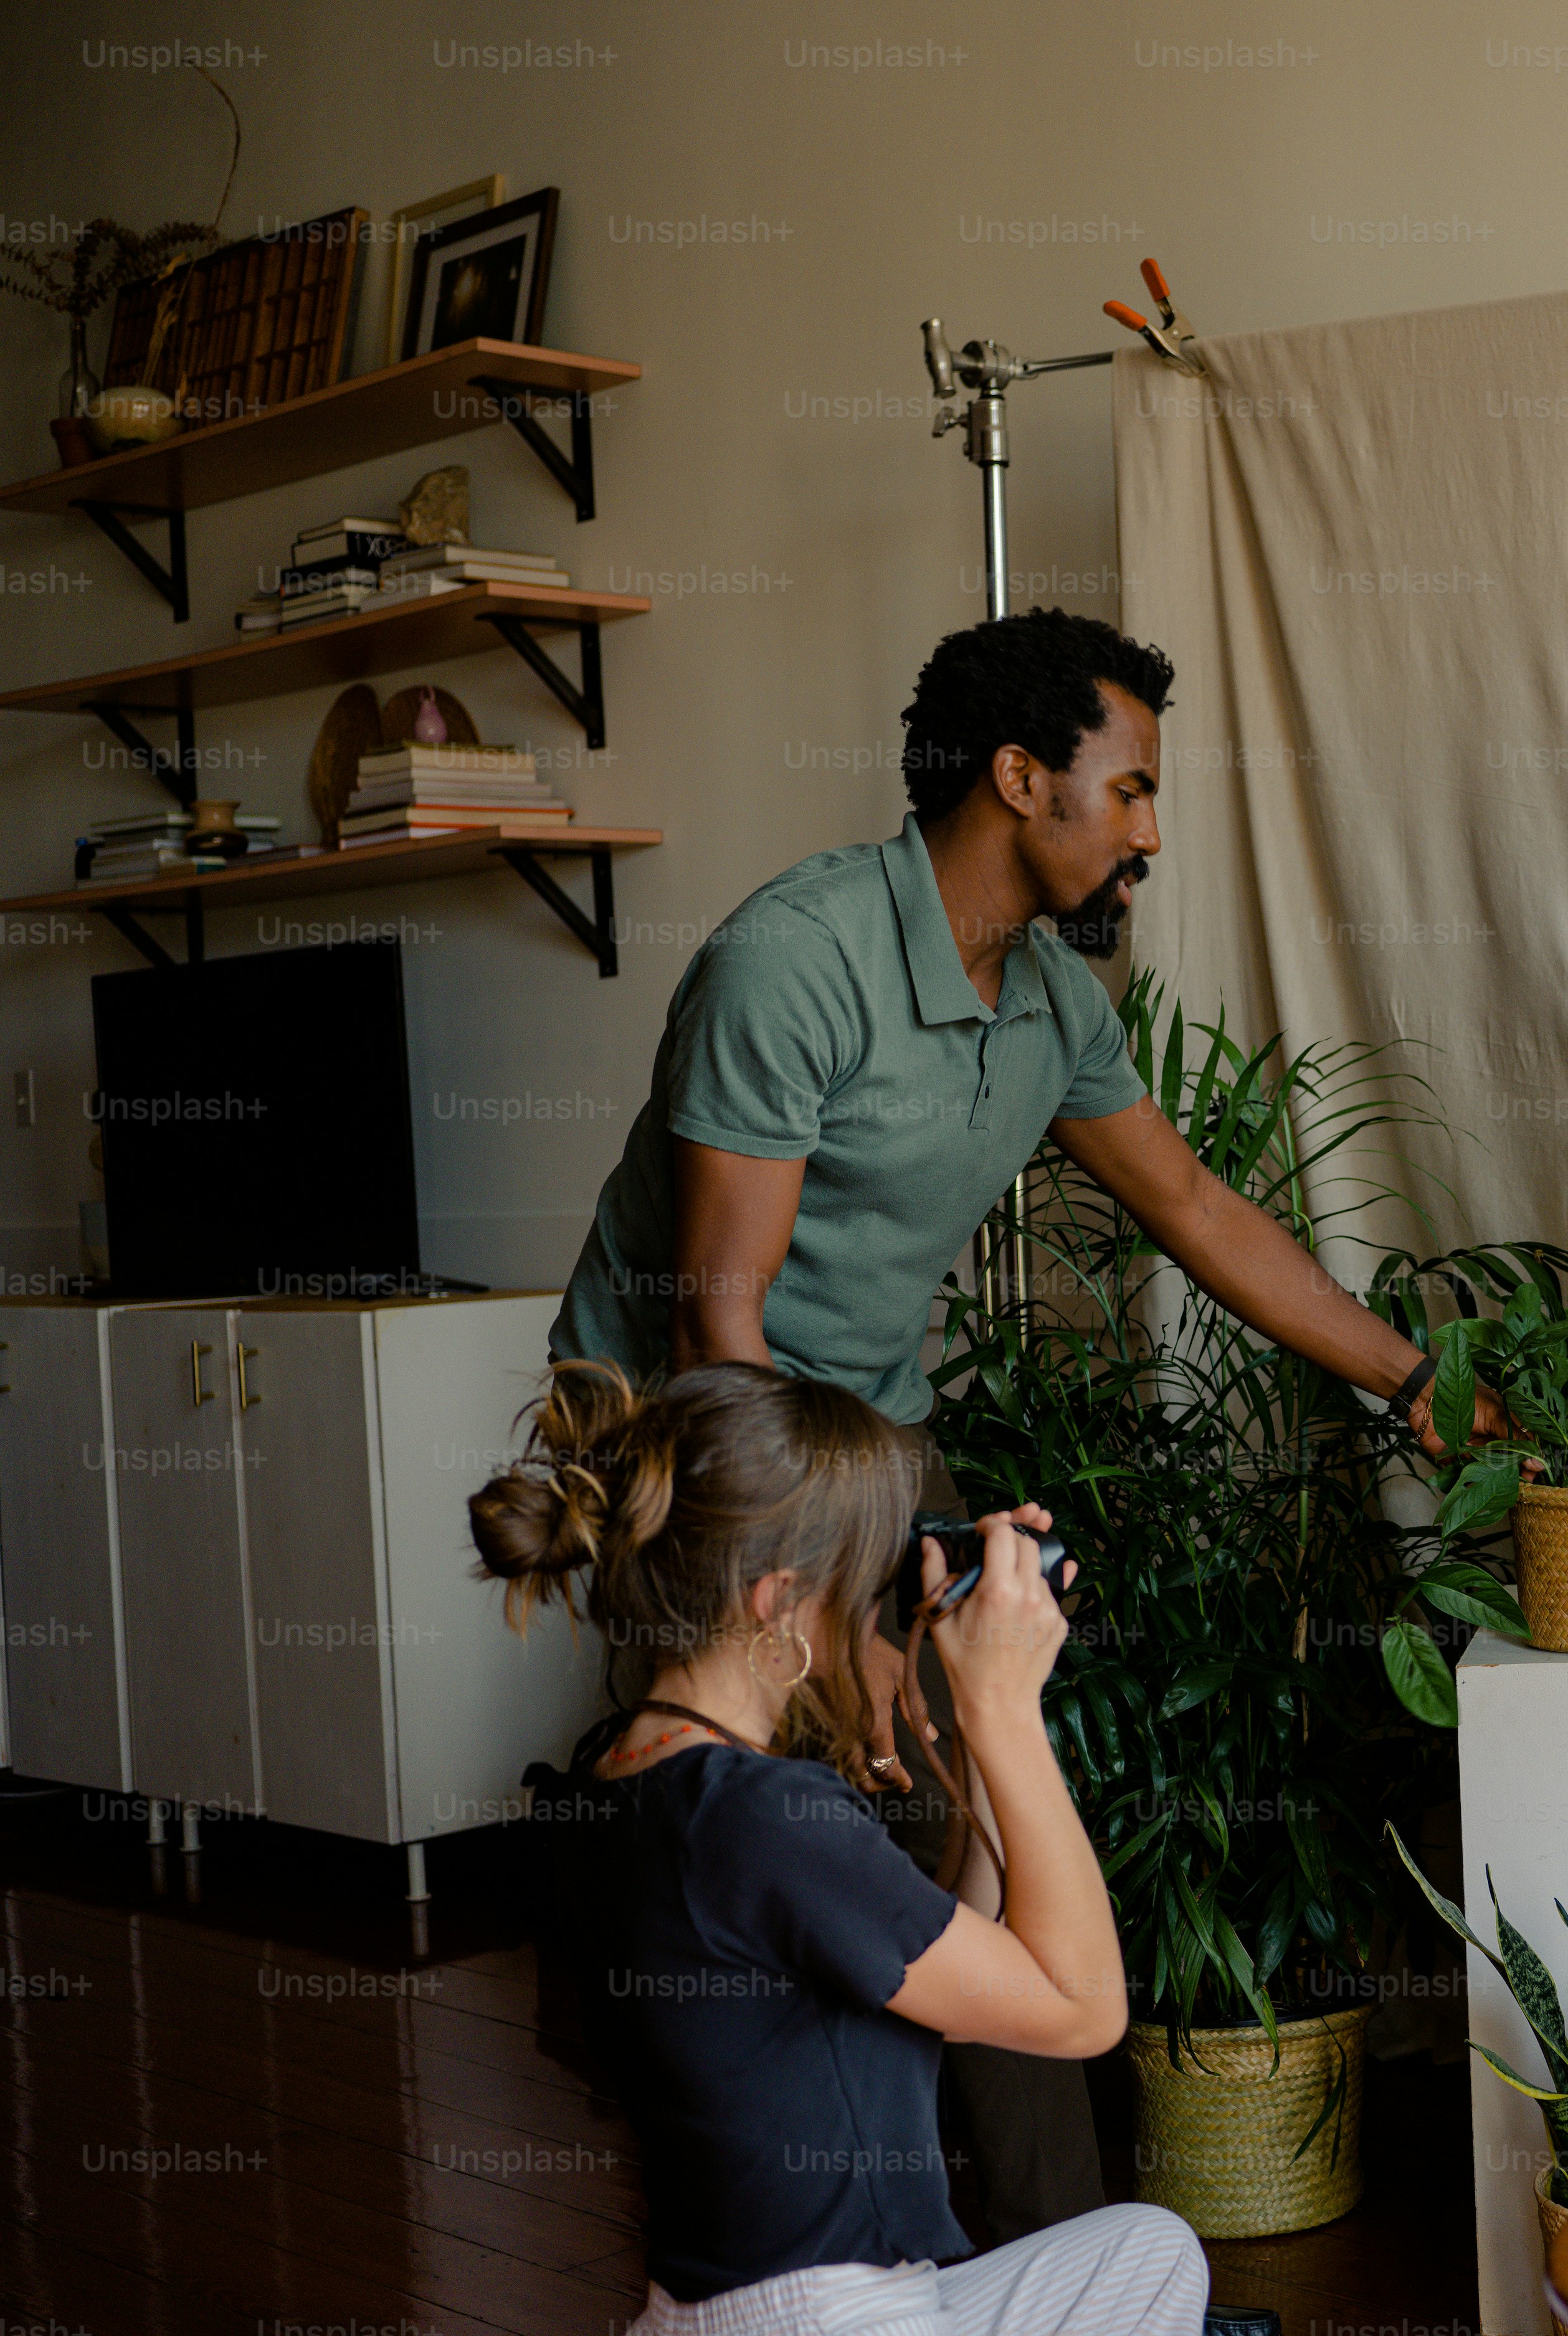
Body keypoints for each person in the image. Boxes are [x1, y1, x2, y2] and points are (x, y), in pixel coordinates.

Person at [548, 607, 1506, 2232]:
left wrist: (1414, 1382)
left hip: (865, 1431)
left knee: (973, 1818)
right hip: (694, 1448)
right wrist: (829, 1603)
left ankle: (1063, 2263)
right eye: (1129, 789)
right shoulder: (798, 961)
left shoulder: (1051, 1001)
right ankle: (771, 2276)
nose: (1149, 832)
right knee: (743, 1865)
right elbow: (720, 1322)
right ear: (1018, 778)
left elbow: (1195, 1205)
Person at [474, 1359, 1210, 2335]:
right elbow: (1083, 2008)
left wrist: (975, 1729)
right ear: (778, 1603)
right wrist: (1006, 1706)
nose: (874, 1616)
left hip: (724, 2309)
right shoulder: (765, 1814)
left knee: (1148, 2249)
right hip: (831, 2318)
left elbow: (954, 1974)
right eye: (862, 1587)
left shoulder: (629, 1781)